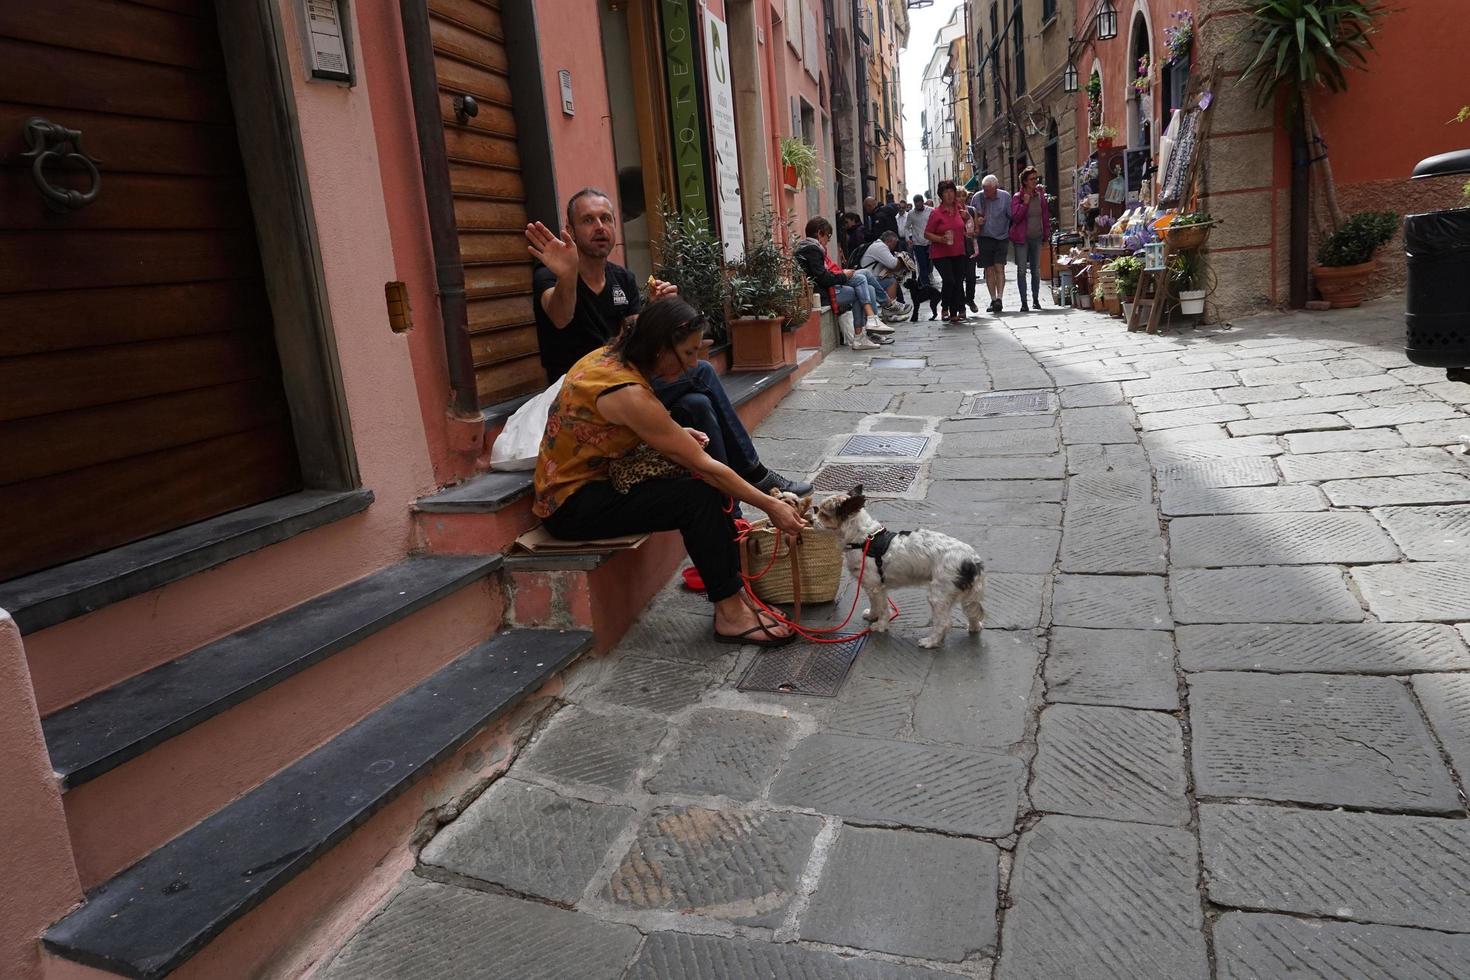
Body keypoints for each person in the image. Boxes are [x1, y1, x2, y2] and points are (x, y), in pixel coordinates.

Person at [533, 297, 807, 647]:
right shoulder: (628, 392)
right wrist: (772, 506)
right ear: (661, 348)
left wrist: (675, 434)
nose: (694, 365)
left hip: (598, 479)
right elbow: (706, 468)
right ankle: (730, 613)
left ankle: (736, 595)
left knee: (698, 471)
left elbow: (610, 430)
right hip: (570, 505)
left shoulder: (610, 356)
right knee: (699, 493)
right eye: (689, 353)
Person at [527, 187, 811, 497]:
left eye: (606, 218)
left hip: (625, 384)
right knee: (701, 372)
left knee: (697, 404)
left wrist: (653, 313)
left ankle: (728, 511)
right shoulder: (551, 275)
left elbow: (630, 340)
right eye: (588, 220)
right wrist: (567, 275)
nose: (599, 227)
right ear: (570, 230)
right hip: (580, 396)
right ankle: (755, 474)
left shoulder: (620, 278)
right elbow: (560, 316)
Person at [793, 217, 892, 350]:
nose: (828, 240)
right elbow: (823, 278)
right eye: (828, 236)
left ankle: (870, 323)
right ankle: (865, 329)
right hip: (821, 292)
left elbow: (824, 273)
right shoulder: (812, 250)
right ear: (819, 233)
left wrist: (842, 274)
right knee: (861, 285)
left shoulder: (810, 247)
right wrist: (843, 276)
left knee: (864, 284)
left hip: (825, 288)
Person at [924, 180, 969, 323]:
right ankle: (944, 307)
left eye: (951, 191)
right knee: (949, 280)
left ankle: (954, 312)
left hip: (959, 250)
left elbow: (966, 226)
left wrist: (967, 218)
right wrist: (940, 239)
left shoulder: (960, 208)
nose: (949, 195)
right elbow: (927, 234)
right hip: (940, 253)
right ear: (941, 195)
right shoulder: (936, 213)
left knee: (957, 281)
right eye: (946, 192)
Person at [1009, 165, 1053, 312]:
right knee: (1022, 270)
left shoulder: (1040, 196)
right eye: (1032, 179)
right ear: (1025, 181)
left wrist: (1046, 234)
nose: (1035, 181)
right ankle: (1024, 302)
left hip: (1037, 236)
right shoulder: (1017, 197)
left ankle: (1035, 300)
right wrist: (1025, 204)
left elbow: (1045, 216)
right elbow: (1015, 217)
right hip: (1021, 239)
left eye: (1036, 178)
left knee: (1036, 270)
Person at [969, 175, 1012, 313]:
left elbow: (1011, 216)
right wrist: (977, 222)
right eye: (984, 189)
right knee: (988, 270)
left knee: (999, 267)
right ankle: (993, 299)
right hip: (985, 238)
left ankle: (999, 298)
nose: (985, 192)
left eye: (988, 190)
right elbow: (971, 218)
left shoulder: (1005, 197)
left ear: (996, 188)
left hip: (1001, 237)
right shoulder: (977, 197)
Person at [858, 230, 910, 309]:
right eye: (894, 244)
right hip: (868, 279)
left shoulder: (876, 244)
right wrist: (902, 258)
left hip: (869, 276)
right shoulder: (881, 247)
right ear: (889, 241)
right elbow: (893, 264)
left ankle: (894, 305)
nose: (894, 247)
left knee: (891, 278)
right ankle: (890, 309)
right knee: (891, 281)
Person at [902, 193, 933, 289]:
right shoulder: (911, 213)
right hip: (918, 243)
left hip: (929, 242)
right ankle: (926, 286)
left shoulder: (931, 211)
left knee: (929, 266)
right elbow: (906, 227)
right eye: (916, 204)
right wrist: (908, 239)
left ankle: (922, 280)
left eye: (919, 204)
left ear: (923, 202)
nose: (917, 206)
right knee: (922, 265)